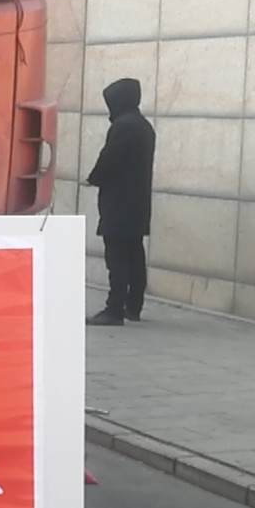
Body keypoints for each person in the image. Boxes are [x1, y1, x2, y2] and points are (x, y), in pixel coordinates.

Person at [85, 77, 156, 326]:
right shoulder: (143, 126)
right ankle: (133, 306)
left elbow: (110, 158)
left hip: (119, 203)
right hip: (137, 203)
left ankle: (114, 309)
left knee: (116, 258)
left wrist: (94, 178)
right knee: (135, 255)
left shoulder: (123, 127)